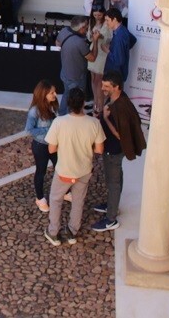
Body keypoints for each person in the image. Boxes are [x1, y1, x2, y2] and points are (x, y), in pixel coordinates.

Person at [44, 88, 105, 246]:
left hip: (64, 170)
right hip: (84, 171)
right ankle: (72, 232)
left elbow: (51, 149)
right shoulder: (94, 123)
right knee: (78, 201)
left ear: (69, 104)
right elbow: (99, 150)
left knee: (56, 200)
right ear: (84, 103)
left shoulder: (59, 122)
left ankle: (54, 233)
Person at [92, 70, 147, 232]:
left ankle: (111, 219)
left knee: (113, 182)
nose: (103, 88)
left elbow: (120, 134)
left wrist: (106, 118)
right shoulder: (119, 100)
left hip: (114, 151)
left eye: (107, 86)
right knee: (114, 178)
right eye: (103, 85)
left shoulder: (120, 107)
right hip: (112, 150)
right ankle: (111, 205)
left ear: (117, 87)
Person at [25, 80, 59, 212]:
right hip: (41, 145)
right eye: (52, 92)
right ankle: (40, 198)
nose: (55, 94)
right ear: (44, 94)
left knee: (60, 167)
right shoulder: (35, 111)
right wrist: (49, 130)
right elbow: (29, 130)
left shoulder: (53, 106)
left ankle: (65, 192)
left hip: (54, 144)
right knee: (41, 171)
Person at [55, 16, 100, 115]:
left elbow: (57, 43)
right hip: (76, 77)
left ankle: (61, 116)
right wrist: (95, 41)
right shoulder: (79, 42)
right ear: (81, 28)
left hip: (65, 73)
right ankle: (71, 119)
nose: (87, 29)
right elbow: (92, 58)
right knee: (75, 101)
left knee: (67, 94)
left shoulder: (64, 31)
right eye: (86, 27)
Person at [86, 7, 112, 113]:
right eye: (95, 15)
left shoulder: (107, 23)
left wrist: (101, 36)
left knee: (99, 79)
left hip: (102, 52)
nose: (97, 17)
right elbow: (88, 38)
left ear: (103, 14)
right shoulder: (91, 22)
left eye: (99, 15)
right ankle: (95, 102)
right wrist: (92, 36)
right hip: (93, 50)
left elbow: (110, 37)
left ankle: (100, 105)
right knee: (93, 79)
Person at [102, 8, 138, 83]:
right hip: (118, 74)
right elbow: (133, 40)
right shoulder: (123, 29)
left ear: (114, 19)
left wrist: (107, 51)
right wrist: (123, 50)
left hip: (115, 76)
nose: (106, 23)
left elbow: (118, 61)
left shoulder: (119, 36)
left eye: (107, 20)